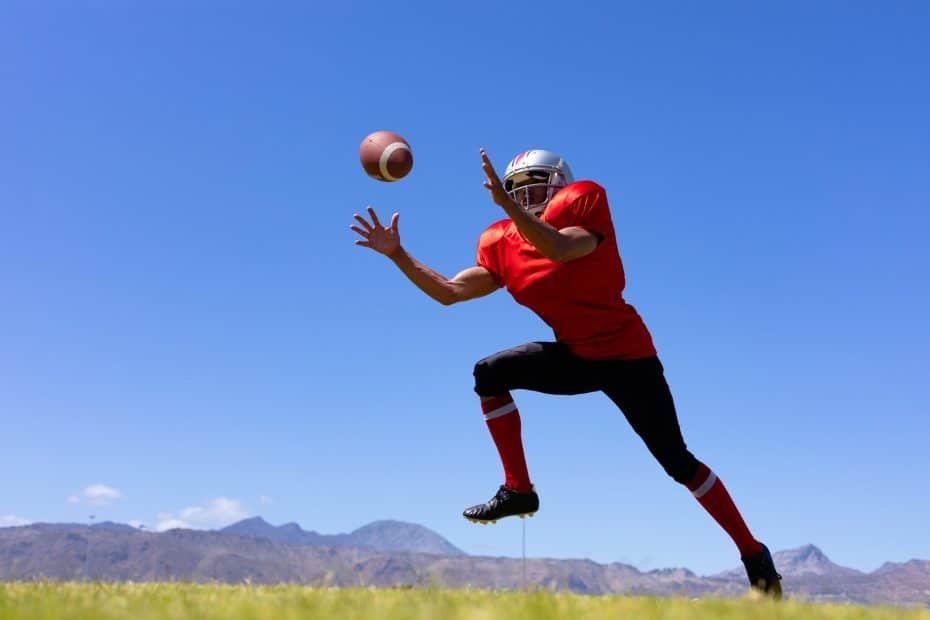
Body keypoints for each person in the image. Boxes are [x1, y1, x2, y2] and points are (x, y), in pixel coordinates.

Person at [350, 148, 783, 598]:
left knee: (678, 463)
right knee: (489, 373)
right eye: (516, 188)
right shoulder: (501, 242)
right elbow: (450, 292)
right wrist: (398, 254)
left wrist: (509, 207)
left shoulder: (584, 203)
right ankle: (518, 489)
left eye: (533, 185)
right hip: (577, 356)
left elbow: (559, 248)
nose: (524, 194)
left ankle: (753, 553)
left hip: (629, 357)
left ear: (558, 185)